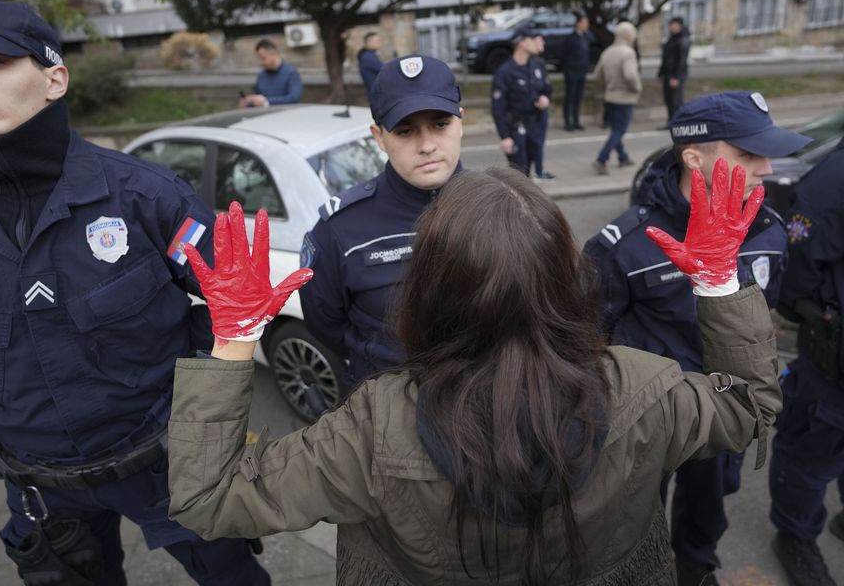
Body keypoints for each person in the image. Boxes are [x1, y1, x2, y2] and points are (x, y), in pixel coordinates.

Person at [166, 159, 782, 585]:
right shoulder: (647, 389)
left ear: (428, 289)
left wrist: (236, 336)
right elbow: (749, 405)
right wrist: (719, 281)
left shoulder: (371, 429)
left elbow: (208, 498)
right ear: (569, 279)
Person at [0, 0, 268, 585]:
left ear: (54, 79)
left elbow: (234, 307)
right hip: (38, 487)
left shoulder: (145, 196)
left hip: (168, 466)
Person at [584, 90, 811, 585]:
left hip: (726, 408)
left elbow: (764, 318)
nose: (767, 169)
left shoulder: (767, 230)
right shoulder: (624, 246)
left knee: (707, 508)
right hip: (650, 417)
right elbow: (587, 343)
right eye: (748, 154)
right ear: (693, 156)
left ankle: (695, 565)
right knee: (634, 514)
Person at [298, 54, 463, 388]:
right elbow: (326, 325)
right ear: (379, 136)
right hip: (385, 414)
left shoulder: (507, 207)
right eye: (405, 131)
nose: (427, 145)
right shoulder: (340, 227)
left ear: (462, 121)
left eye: (440, 124)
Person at [769, 137, 844, 586]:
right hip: (834, 365)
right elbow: (796, 269)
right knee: (811, 450)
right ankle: (795, 536)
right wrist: (820, 319)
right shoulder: (833, 180)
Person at [491, 25, 555, 180]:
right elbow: (498, 107)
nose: (537, 42)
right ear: (522, 43)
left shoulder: (536, 66)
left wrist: (545, 99)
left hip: (535, 125)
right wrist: (504, 136)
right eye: (532, 39)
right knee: (519, 173)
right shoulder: (505, 72)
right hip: (516, 128)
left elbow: (547, 89)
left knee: (530, 168)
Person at [592, 21, 641, 175]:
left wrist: (608, 84)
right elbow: (630, 75)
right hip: (624, 97)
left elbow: (597, 74)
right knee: (619, 131)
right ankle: (601, 159)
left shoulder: (607, 52)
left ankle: (623, 157)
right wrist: (637, 88)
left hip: (610, 95)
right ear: (629, 36)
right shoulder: (628, 53)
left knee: (615, 130)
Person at [238, 39, 303, 107]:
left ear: (273, 53)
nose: (261, 63)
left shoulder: (291, 73)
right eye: (259, 59)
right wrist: (250, 102)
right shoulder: (261, 76)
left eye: (263, 58)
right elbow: (259, 99)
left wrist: (267, 101)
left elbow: (293, 98)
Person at [561, 11, 592, 132]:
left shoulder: (585, 37)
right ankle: (568, 122)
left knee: (578, 98)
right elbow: (564, 55)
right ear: (578, 23)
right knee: (570, 97)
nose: (586, 25)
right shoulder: (571, 38)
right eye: (584, 22)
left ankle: (576, 120)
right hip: (571, 72)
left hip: (581, 71)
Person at [658, 16, 691, 126]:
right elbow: (666, 57)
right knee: (668, 99)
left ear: (680, 26)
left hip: (676, 75)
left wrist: (676, 77)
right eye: (670, 26)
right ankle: (671, 121)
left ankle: (679, 123)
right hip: (668, 74)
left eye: (674, 25)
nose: (671, 28)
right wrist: (661, 73)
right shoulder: (671, 39)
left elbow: (682, 60)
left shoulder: (683, 39)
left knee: (676, 100)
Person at [357, 31, 383, 99]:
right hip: (377, 96)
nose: (380, 43)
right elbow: (385, 69)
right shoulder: (368, 57)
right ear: (369, 41)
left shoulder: (368, 55)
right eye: (378, 40)